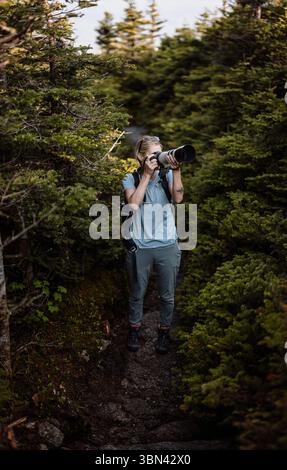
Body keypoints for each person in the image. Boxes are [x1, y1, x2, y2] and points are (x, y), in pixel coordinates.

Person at [122, 135, 184, 354]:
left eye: (161, 153)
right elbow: (133, 205)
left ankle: (164, 332)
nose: (158, 158)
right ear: (141, 156)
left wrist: (176, 171)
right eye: (153, 154)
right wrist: (146, 176)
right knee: (137, 292)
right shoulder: (130, 178)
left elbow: (178, 198)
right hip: (141, 245)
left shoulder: (166, 175)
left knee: (167, 295)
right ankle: (135, 329)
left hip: (167, 244)